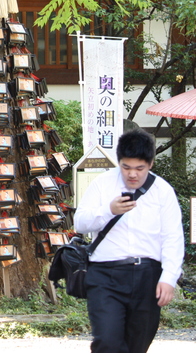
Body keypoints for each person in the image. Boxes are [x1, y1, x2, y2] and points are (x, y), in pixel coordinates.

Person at [74, 128, 184, 353]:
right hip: (105, 275)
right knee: (107, 341)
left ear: (150, 164)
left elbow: (173, 237)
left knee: (138, 345)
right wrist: (108, 210)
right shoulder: (102, 184)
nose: (132, 174)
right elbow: (80, 223)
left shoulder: (163, 191)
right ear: (119, 162)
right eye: (126, 167)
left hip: (147, 276)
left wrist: (169, 278)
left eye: (139, 168)